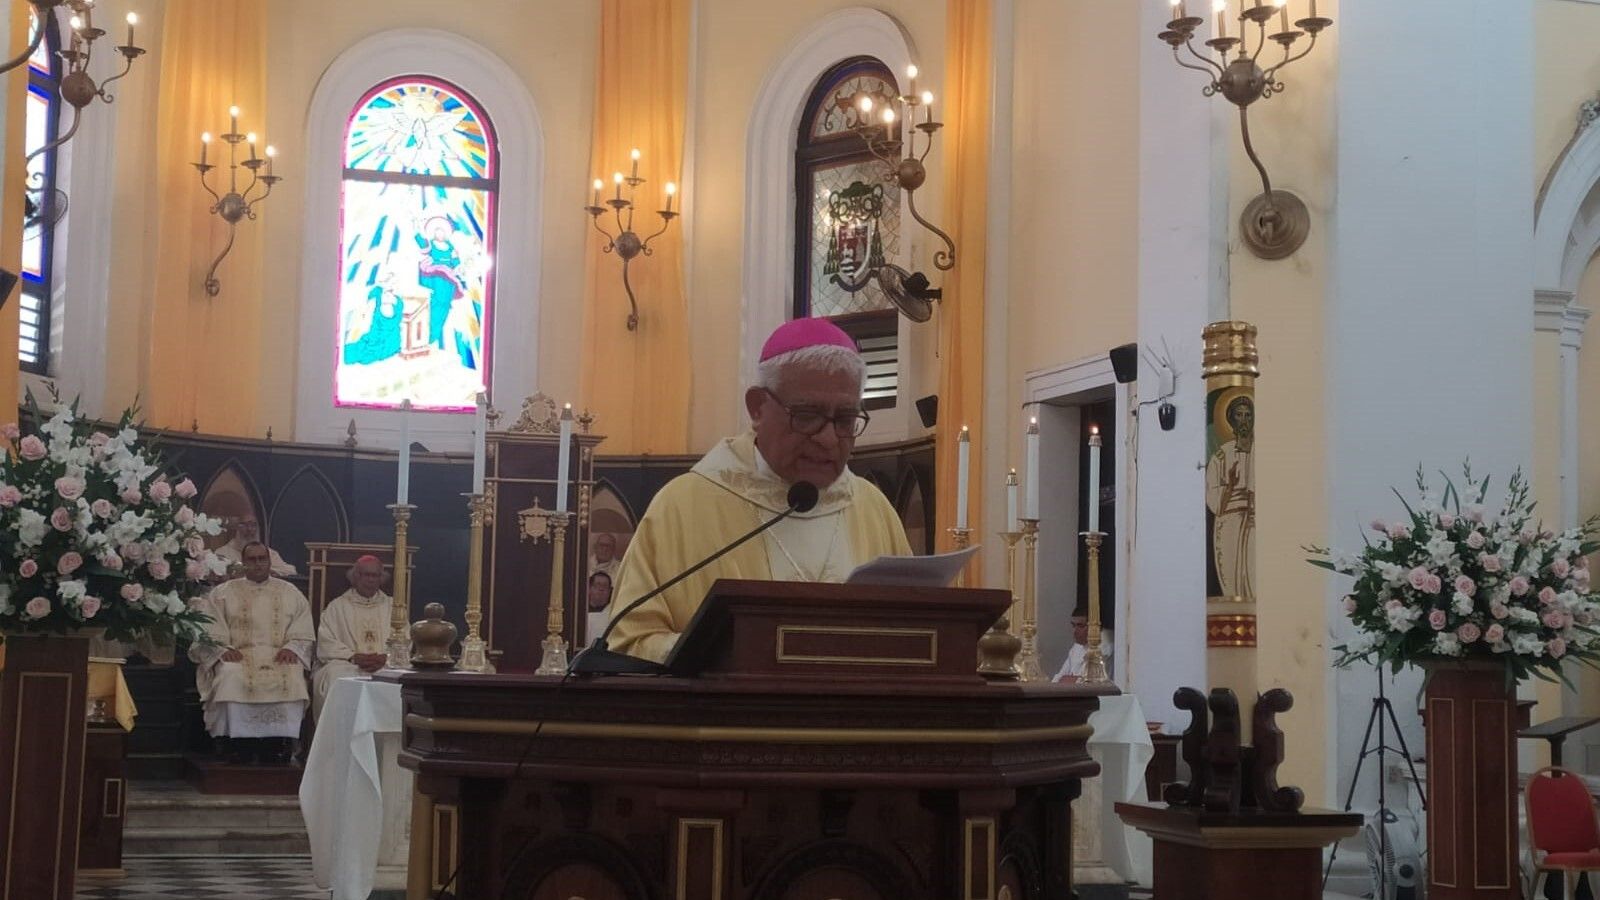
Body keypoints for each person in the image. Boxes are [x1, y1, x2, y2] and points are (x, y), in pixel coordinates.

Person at [606, 317, 913, 663]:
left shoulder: (873, 508)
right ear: (757, 407)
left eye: (844, 420)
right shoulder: (683, 508)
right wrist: (721, 655)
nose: (828, 439)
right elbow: (626, 644)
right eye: (808, 415)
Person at [190, 542, 315, 765]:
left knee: (293, 674)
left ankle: (278, 745)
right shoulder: (222, 593)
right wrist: (221, 650)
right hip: (238, 654)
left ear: (269, 561)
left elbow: (303, 628)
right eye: (252, 559)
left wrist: (292, 648)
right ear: (244, 562)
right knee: (230, 674)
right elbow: (210, 627)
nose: (258, 564)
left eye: (262, 559)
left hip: (279, 654)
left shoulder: (290, 592)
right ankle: (235, 746)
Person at [311, 555, 392, 719]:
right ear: (355, 577)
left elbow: (405, 640)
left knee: (397, 679)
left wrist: (386, 657)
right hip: (348, 664)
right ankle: (342, 739)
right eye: (365, 575)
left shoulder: (394, 607)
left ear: (381, 578)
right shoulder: (337, 607)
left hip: (384, 664)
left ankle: (388, 743)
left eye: (375, 575)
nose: (370, 580)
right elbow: (326, 642)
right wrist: (353, 656)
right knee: (336, 677)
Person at [1205, 395, 1255, 602]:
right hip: (1229, 524)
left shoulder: (1261, 451)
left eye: (1248, 415)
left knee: (1253, 574)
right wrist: (1231, 485)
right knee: (1232, 580)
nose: (1244, 420)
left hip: (1254, 522)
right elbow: (1213, 499)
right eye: (1239, 415)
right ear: (1231, 420)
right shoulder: (1221, 456)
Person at [215, 515, 298, 578]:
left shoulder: (268, 552)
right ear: (237, 527)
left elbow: (291, 571)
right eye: (245, 525)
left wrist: (270, 572)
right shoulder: (222, 553)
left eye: (253, 525)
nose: (250, 529)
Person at [1052, 614, 1114, 684]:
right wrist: (1073, 679)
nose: (1074, 631)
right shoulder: (1077, 646)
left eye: (1080, 626)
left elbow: (1091, 682)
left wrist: (1073, 679)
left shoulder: (1106, 646)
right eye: (1073, 625)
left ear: (1093, 627)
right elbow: (1058, 678)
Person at [585, 570, 613, 645]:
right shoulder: (581, 611)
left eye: (605, 586)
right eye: (598, 585)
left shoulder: (613, 614)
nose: (601, 589)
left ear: (610, 590)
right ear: (589, 588)